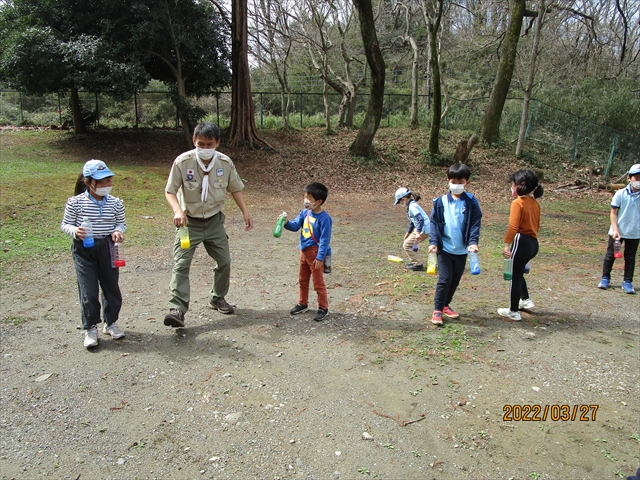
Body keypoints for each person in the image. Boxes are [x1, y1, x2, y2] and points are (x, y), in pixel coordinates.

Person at [163, 122, 253, 328]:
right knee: (181, 264)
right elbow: (170, 191)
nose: (204, 148)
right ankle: (177, 309)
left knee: (224, 262)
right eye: (200, 144)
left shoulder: (225, 162)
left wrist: (245, 212)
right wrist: (177, 210)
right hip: (188, 224)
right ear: (194, 141)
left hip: (214, 222)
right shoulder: (182, 162)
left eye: (209, 144)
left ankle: (217, 297)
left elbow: (235, 188)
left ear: (217, 143)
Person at [61, 160, 127, 348]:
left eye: (109, 181)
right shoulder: (75, 202)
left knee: (111, 287)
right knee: (88, 290)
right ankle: (90, 328)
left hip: (108, 247)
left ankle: (111, 323)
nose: (106, 185)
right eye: (101, 182)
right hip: (84, 250)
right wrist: (76, 231)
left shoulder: (116, 203)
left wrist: (117, 231)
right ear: (88, 182)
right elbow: (65, 224)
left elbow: (121, 223)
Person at [428, 163, 482, 325]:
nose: (457, 185)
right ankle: (437, 310)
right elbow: (434, 223)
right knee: (445, 279)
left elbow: (475, 223)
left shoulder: (471, 203)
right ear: (448, 181)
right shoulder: (440, 202)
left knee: (455, 280)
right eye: (454, 181)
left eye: (461, 181)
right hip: (444, 249)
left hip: (462, 251)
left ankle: (445, 305)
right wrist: (433, 242)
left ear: (467, 183)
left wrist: (472, 242)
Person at [498, 169, 544, 321]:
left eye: (512, 185)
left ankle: (513, 311)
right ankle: (525, 299)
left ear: (518, 186)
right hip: (533, 244)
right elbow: (536, 226)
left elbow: (513, 226)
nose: (511, 188)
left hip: (521, 241)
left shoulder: (518, 203)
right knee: (518, 273)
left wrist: (506, 245)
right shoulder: (535, 203)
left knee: (514, 276)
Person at [284, 182, 333, 321]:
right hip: (304, 251)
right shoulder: (305, 212)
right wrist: (285, 222)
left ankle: (323, 308)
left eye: (309, 199)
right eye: (305, 197)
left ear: (318, 202)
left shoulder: (325, 219)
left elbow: (324, 240)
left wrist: (320, 257)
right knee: (302, 280)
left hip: (315, 252)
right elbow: (295, 226)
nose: (306, 201)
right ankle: (302, 303)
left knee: (318, 283)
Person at [597, 163, 640, 294]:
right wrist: (615, 230)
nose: (638, 181)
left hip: (634, 232)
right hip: (618, 231)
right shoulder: (620, 194)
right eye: (636, 178)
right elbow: (613, 213)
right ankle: (605, 278)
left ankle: (627, 282)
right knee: (611, 255)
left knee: (630, 257)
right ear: (629, 178)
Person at [394, 187, 430, 271]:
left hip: (423, 229)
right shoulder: (411, 205)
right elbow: (412, 221)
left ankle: (418, 264)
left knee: (406, 245)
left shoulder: (412, 207)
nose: (400, 203)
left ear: (403, 199)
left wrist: (417, 233)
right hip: (422, 228)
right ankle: (415, 261)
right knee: (412, 245)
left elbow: (420, 219)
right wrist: (408, 233)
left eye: (399, 201)